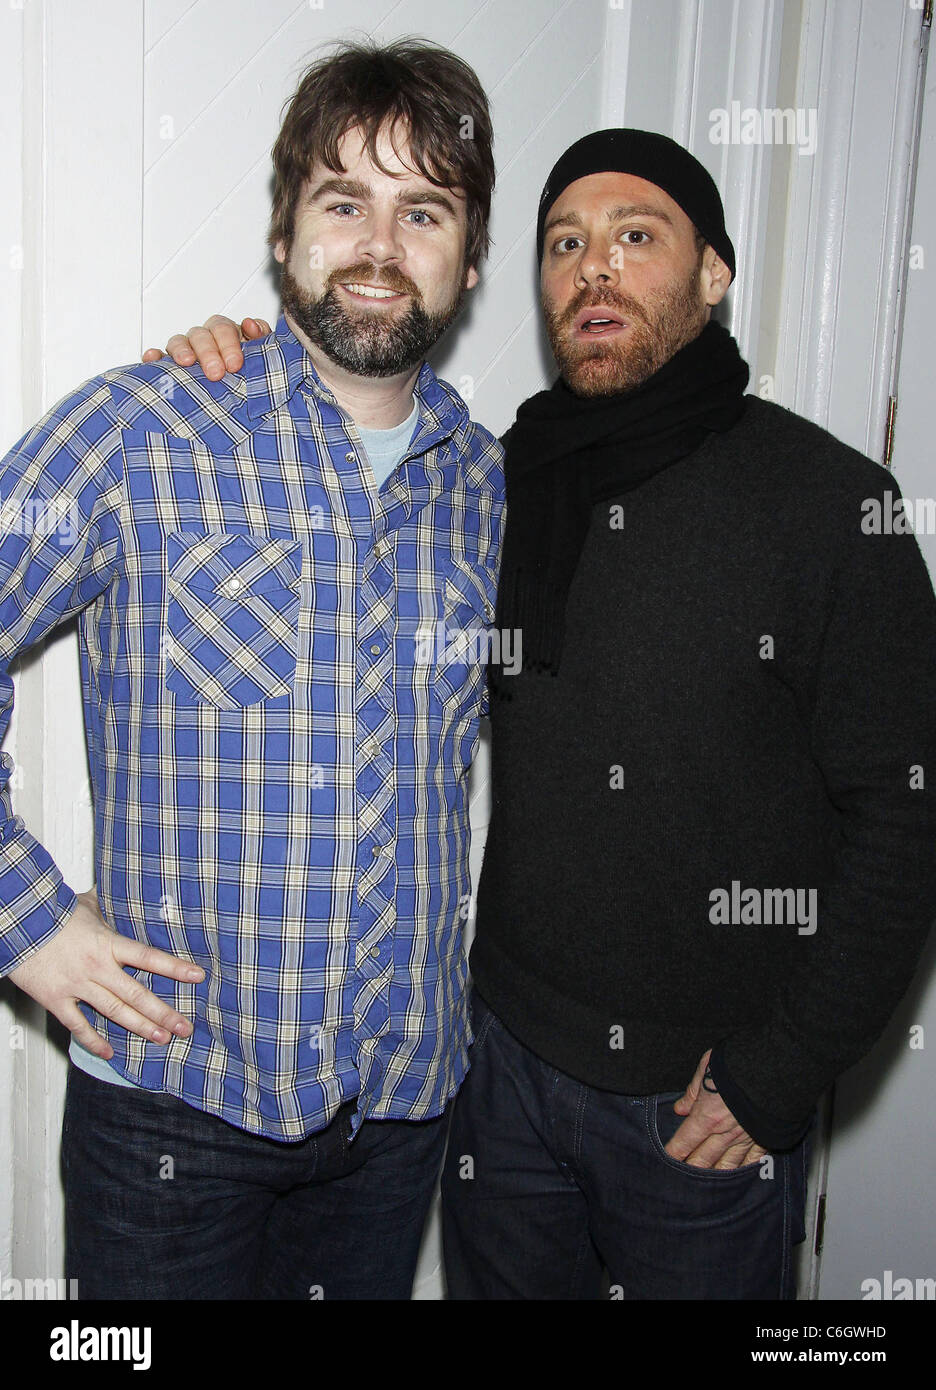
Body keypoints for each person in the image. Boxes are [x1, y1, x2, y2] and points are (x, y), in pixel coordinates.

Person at [176, 127, 936, 1302]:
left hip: (700, 1107)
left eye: (639, 238)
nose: (596, 270)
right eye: (566, 244)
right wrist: (233, 355)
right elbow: (351, 426)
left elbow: (906, 820)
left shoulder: (834, 507)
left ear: (713, 273)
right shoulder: (497, 476)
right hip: (500, 1075)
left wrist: (779, 1075)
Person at [0, 38, 501, 1300]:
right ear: (286, 238)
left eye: (424, 210)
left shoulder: (492, 485)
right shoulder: (144, 429)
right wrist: (27, 920)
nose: (381, 244)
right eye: (345, 202)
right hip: (173, 1112)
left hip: (399, 1114)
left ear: (469, 261)